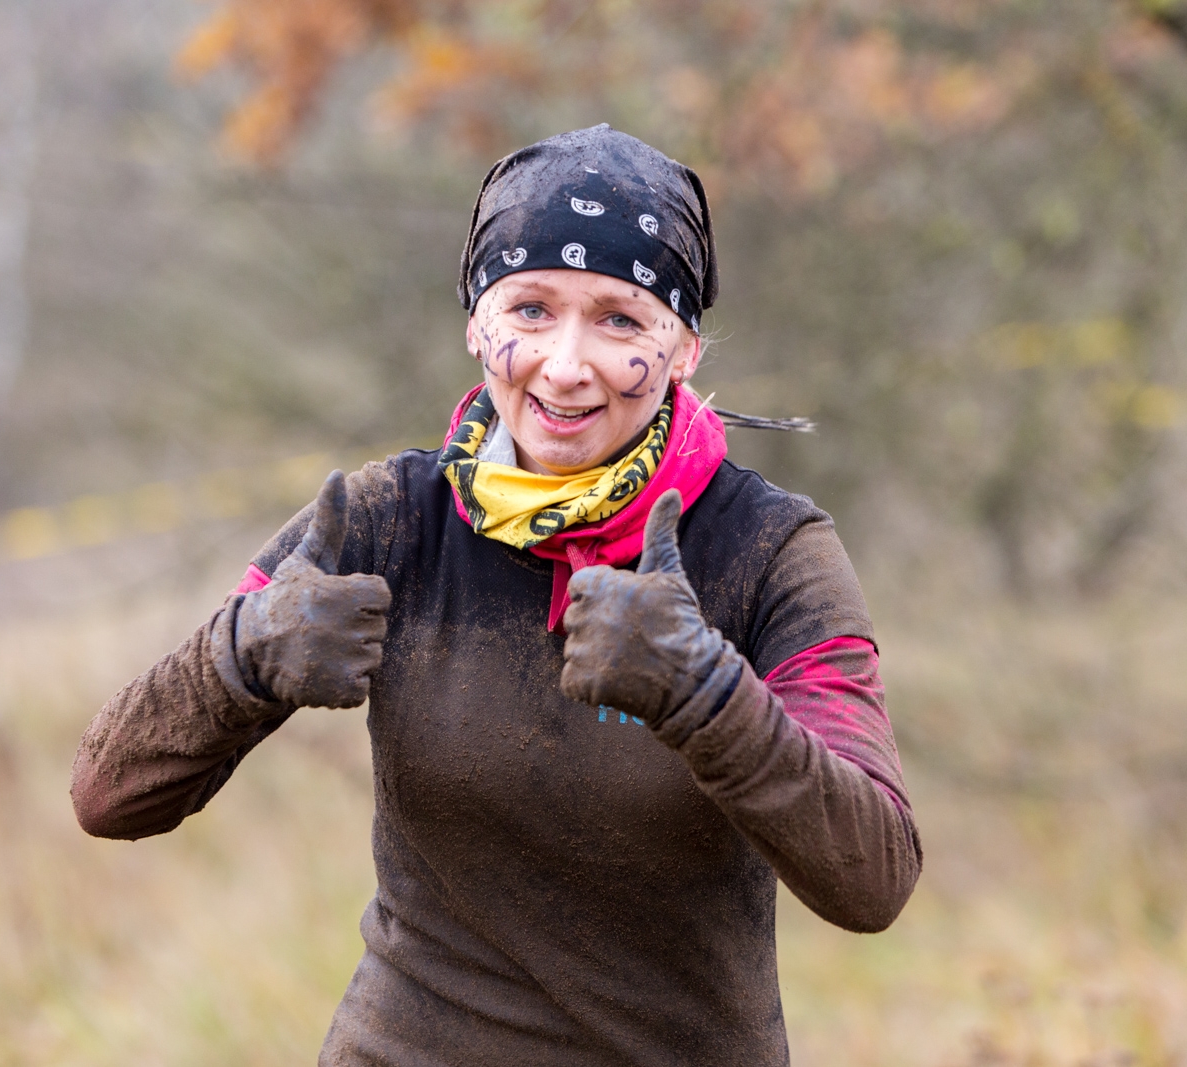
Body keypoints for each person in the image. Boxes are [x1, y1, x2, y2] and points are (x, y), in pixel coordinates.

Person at [71, 124, 921, 1066]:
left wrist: (706, 694)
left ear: (682, 349)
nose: (565, 365)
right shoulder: (382, 521)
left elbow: (873, 878)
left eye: (619, 319)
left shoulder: (768, 550)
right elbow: (110, 795)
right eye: (530, 310)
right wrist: (241, 655)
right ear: (477, 324)